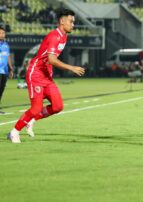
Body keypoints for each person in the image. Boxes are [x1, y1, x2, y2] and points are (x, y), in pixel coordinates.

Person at [7, 9, 85, 143]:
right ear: (62, 21)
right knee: (36, 108)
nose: (73, 24)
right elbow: (52, 60)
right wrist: (71, 67)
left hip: (46, 76)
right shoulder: (54, 36)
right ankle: (14, 132)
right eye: (71, 21)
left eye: (74, 22)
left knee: (57, 106)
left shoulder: (64, 36)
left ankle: (32, 120)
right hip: (36, 73)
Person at [0, 26, 14, 113]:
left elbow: (8, 56)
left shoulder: (6, 45)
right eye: (0, 33)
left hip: (4, 71)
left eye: (3, 33)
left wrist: (11, 69)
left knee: (1, 89)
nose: (2, 34)